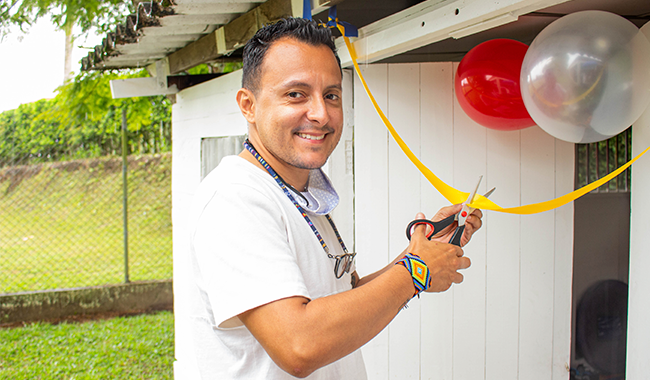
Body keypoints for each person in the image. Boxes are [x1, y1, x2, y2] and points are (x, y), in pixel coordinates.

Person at [187, 17, 483, 379]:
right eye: (295, 94)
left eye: (331, 95)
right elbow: (299, 345)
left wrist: (420, 254)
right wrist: (416, 272)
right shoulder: (235, 199)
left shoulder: (301, 193)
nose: (321, 114)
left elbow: (343, 296)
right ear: (248, 105)